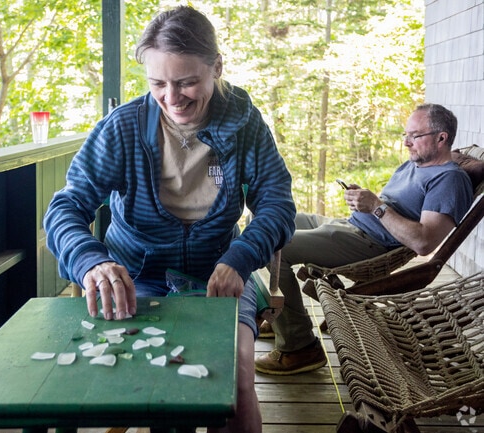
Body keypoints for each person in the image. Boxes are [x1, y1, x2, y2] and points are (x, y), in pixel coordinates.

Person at [43, 6, 296, 432]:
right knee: (149, 378)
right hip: (136, 279)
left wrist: (240, 257)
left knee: (234, 375)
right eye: (157, 83)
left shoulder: (247, 124)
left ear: (216, 67)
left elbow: (277, 203)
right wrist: (92, 262)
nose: (172, 97)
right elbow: (65, 209)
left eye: (187, 82)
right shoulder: (121, 129)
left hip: (219, 273)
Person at [255, 103, 474, 375]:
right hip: (349, 225)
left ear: (442, 138)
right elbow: (388, 206)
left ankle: (299, 345)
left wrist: (376, 207)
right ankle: (281, 317)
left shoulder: (449, 180)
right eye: (405, 134)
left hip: (368, 242)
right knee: (270, 220)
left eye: (414, 136)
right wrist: (365, 201)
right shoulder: (414, 164)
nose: (406, 142)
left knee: (272, 246)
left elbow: (424, 242)